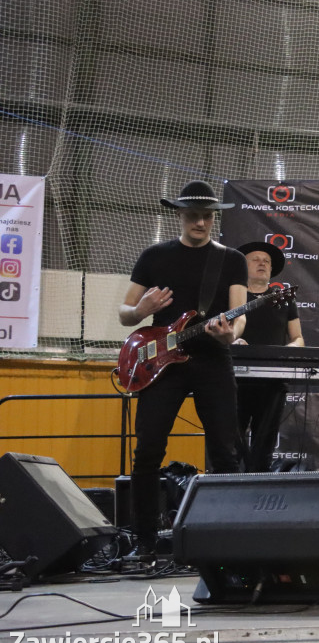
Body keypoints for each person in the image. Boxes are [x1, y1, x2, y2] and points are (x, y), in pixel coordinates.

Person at [118, 180, 247, 557]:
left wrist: (231, 335)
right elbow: (125, 313)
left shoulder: (231, 259)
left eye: (207, 216)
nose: (201, 223)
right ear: (180, 215)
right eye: (193, 216)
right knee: (147, 451)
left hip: (212, 359)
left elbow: (239, 315)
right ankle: (144, 541)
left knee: (225, 451)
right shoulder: (154, 256)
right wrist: (140, 310)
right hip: (161, 363)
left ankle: (228, 540)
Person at [232, 241, 304, 473]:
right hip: (234, 380)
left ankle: (258, 484)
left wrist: (290, 348)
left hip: (272, 380)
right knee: (231, 443)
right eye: (256, 259)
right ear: (243, 266)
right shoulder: (232, 296)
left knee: (264, 446)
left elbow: (298, 337)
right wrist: (232, 342)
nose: (262, 263)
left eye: (267, 261)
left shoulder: (284, 299)